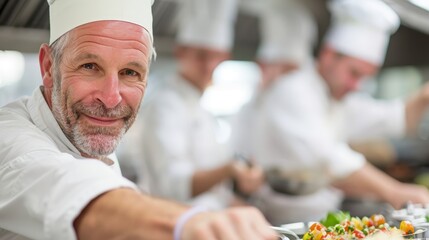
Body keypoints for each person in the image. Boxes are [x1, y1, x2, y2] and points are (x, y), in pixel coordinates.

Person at [0, 0, 278, 239]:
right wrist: (186, 224)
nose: (111, 98)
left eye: (130, 72)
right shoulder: (10, 137)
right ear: (48, 67)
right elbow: (72, 192)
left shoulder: (90, 135)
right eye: (89, 66)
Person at [234, 0, 429, 225]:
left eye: (365, 77)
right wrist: (395, 191)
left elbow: (397, 118)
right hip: (279, 224)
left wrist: (424, 97)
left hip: (320, 220)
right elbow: (329, 158)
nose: (356, 85)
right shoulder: (293, 90)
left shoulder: (337, 99)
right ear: (329, 55)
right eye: (354, 73)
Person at [138, 0, 265, 210]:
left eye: (215, 56)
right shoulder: (166, 105)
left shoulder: (201, 107)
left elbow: (214, 191)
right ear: (181, 52)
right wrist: (230, 170)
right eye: (200, 55)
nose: (208, 66)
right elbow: (174, 186)